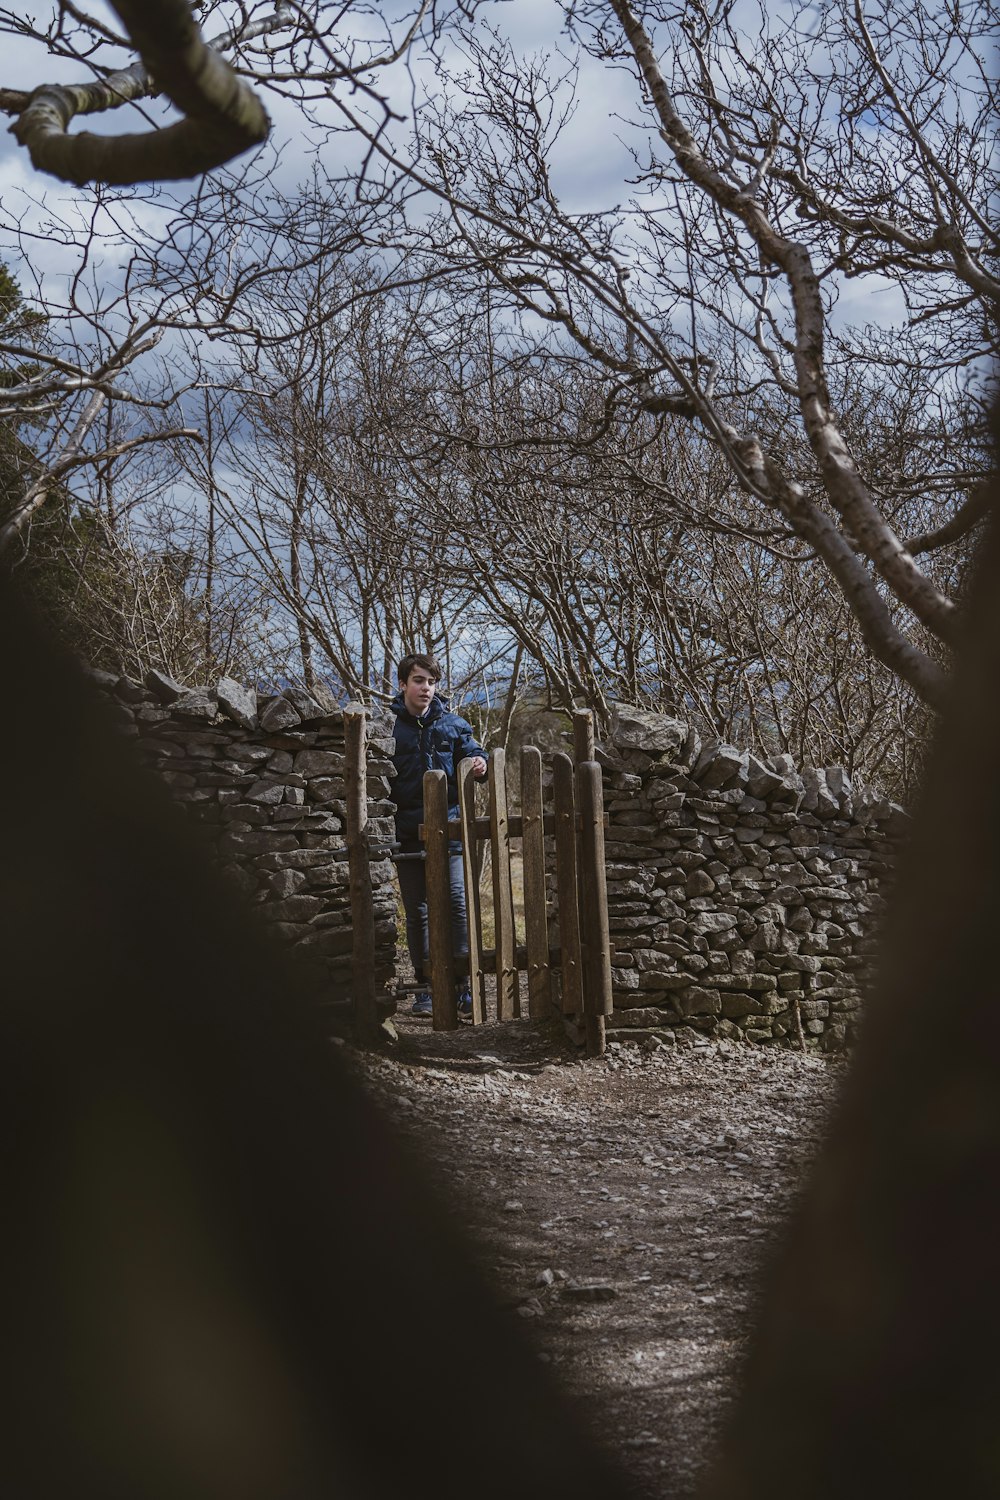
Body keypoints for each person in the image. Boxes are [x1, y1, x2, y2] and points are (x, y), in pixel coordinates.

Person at [390, 653, 488, 1017]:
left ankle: (462, 987)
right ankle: (425, 989)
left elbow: (476, 754)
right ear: (403, 685)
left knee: (457, 903)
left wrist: (481, 763)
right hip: (407, 833)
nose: (425, 688)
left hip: (450, 831)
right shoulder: (389, 728)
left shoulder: (453, 725)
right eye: (418, 680)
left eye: (431, 682)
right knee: (418, 911)